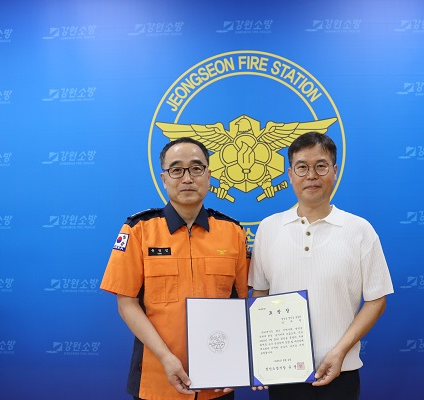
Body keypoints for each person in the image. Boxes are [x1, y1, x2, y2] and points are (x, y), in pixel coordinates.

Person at [100, 137, 249, 400]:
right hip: (157, 378)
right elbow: (127, 303)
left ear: (209, 175)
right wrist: (166, 357)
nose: (187, 178)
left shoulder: (233, 233)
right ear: (164, 178)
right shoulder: (139, 230)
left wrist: (238, 361)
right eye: (177, 170)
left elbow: (242, 304)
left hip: (217, 380)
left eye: (196, 169)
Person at [248, 132, 394, 400]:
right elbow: (260, 295)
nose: (311, 175)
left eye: (321, 166)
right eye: (302, 167)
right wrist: (261, 359)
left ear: (335, 171)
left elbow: (377, 300)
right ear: (290, 174)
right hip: (283, 373)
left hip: (341, 371)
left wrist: (339, 352)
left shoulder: (359, 229)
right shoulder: (268, 228)